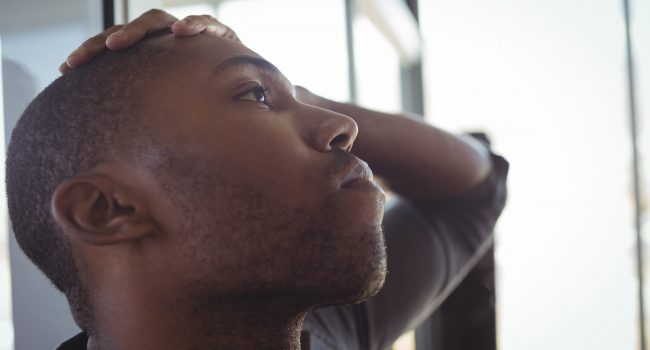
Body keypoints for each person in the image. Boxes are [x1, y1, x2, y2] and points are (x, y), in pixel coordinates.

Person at [7, 9, 508, 350]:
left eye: (312, 104)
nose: (343, 127)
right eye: (254, 97)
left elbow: (474, 185)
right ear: (107, 210)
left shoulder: (330, 334)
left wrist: (287, 91)